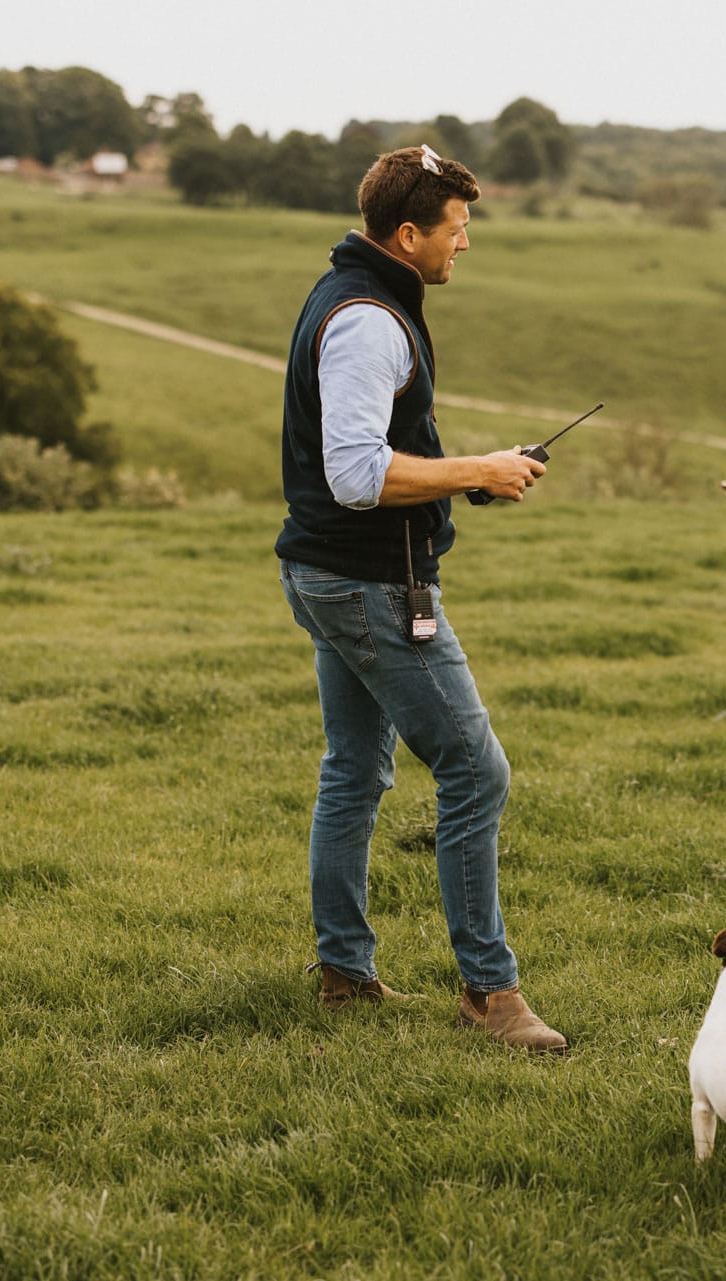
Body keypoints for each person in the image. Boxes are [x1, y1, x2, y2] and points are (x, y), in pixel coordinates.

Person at [275, 145, 566, 1050]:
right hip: (368, 583)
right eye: (456, 228)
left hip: (329, 570)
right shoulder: (370, 321)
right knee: (477, 772)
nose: (464, 243)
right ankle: (491, 991)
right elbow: (357, 473)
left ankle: (344, 975)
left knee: (354, 771)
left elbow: (374, 458)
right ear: (409, 234)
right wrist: (475, 466)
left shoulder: (355, 294)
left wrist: (464, 479)